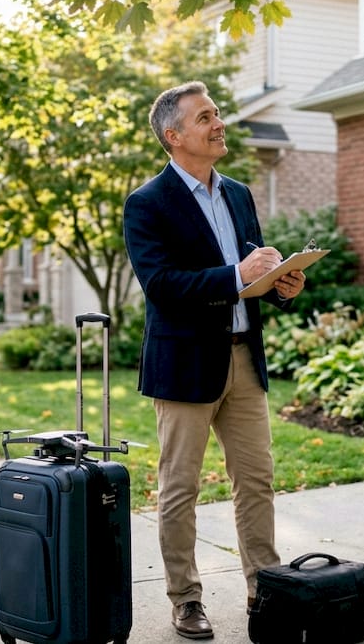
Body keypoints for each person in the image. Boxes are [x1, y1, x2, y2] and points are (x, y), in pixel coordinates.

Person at [123, 80, 306, 640]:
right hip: (183, 366)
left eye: (217, 113)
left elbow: (252, 269)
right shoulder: (147, 203)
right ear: (174, 136)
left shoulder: (239, 194)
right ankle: (185, 599)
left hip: (244, 359)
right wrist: (236, 276)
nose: (219, 123)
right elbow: (161, 284)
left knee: (257, 481)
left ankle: (266, 590)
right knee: (180, 488)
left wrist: (281, 284)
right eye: (205, 117)